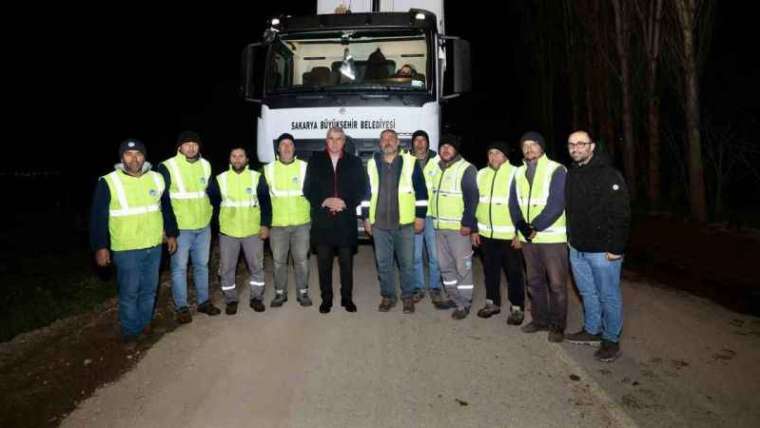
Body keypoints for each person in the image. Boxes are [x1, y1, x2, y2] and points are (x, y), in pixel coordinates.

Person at [90, 139, 177, 348]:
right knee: (129, 291)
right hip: (126, 248)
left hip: (154, 245)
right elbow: (98, 217)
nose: (134, 158)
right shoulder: (109, 181)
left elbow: (166, 208)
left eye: (138, 154)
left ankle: (145, 325)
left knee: (149, 289)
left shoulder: (156, 178)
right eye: (129, 154)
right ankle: (131, 331)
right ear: (122, 158)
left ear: (144, 157)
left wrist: (172, 234)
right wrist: (100, 247)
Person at [565, 130, 630, 362]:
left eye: (581, 144)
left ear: (592, 146)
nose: (576, 148)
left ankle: (611, 339)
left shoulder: (609, 175)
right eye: (572, 144)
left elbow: (621, 214)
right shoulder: (572, 174)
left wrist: (616, 247)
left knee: (608, 295)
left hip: (603, 251)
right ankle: (592, 330)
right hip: (577, 248)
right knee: (587, 292)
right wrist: (570, 240)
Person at [509, 131, 569, 342]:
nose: (529, 149)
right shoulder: (517, 173)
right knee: (534, 282)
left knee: (557, 285)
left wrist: (535, 226)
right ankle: (540, 320)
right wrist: (521, 227)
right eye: (525, 146)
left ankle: (558, 325)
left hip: (551, 239)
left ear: (542, 148)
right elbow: (513, 203)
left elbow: (557, 204)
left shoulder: (557, 169)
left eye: (533, 145)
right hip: (528, 239)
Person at [362, 129, 428, 313]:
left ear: (398, 142)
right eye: (384, 139)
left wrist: (420, 217)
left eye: (391, 138)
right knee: (383, 264)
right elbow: (366, 194)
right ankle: (388, 296)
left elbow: (422, 193)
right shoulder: (372, 164)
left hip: (405, 224)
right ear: (379, 143)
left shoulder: (410, 162)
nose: (388, 141)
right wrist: (366, 217)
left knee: (406, 264)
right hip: (380, 225)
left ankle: (407, 297)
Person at [158, 131, 221, 324]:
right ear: (179, 147)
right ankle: (182, 307)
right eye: (187, 144)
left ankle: (203, 302)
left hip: (203, 226)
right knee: (179, 268)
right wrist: (170, 231)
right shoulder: (167, 166)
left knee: (202, 266)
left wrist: (213, 215)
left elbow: (212, 193)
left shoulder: (206, 165)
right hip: (181, 228)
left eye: (195, 143)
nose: (191, 147)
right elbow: (164, 201)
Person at [304, 127, 366, 313]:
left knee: (346, 264)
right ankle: (326, 299)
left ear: (344, 141)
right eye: (331, 138)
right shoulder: (315, 161)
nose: (335, 142)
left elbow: (362, 189)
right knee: (324, 264)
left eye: (339, 139)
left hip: (345, 222)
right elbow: (308, 189)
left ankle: (347, 299)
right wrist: (324, 200)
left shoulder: (354, 162)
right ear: (326, 140)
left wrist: (346, 202)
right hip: (323, 222)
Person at [207, 147, 272, 315]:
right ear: (229, 159)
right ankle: (231, 300)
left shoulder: (257, 178)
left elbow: (265, 203)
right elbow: (213, 204)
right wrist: (218, 228)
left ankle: (256, 298)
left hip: (253, 231)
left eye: (241, 156)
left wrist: (265, 225)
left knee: (256, 267)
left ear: (247, 159)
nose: (237, 159)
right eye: (234, 156)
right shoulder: (220, 179)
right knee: (227, 268)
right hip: (228, 233)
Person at [471, 141, 526, 325]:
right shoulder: (481, 174)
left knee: (514, 273)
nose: (494, 157)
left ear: (505, 156)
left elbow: (523, 205)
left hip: (510, 236)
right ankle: (492, 302)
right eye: (491, 153)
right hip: (486, 235)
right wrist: (474, 229)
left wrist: (520, 234)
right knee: (490, 271)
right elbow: (475, 203)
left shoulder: (516, 173)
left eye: (498, 153)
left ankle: (517, 307)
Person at [426, 134, 479, 319]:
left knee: (462, 267)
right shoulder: (438, 169)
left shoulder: (466, 169)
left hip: (459, 229)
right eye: (442, 147)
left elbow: (473, 199)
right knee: (444, 265)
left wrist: (468, 223)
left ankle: (465, 303)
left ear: (456, 149)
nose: (445, 150)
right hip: (440, 227)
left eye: (449, 147)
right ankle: (453, 297)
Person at [263, 133, 313, 308]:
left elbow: (314, 193)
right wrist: (264, 224)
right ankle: (279, 294)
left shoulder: (305, 167)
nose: (286, 147)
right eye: (283, 144)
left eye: (289, 144)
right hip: (277, 226)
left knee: (301, 260)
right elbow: (263, 199)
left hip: (301, 224)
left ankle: (303, 293)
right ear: (278, 148)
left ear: (294, 148)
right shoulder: (268, 170)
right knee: (278, 262)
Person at [410, 130, 446, 307]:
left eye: (423, 140)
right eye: (416, 140)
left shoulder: (439, 161)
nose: (420, 144)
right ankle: (418, 287)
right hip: (413, 216)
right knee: (415, 255)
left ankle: (435, 287)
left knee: (435, 256)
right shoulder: (407, 161)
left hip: (432, 216)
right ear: (412, 144)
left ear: (428, 143)